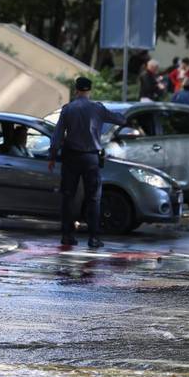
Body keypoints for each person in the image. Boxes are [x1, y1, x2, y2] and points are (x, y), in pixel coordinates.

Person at [48, 77, 126, 249]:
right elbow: (121, 120)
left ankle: (67, 236)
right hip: (91, 158)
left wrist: (52, 156)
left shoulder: (68, 109)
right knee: (93, 199)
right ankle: (93, 238)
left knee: (68, 197)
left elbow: (58, 135)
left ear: (76, 90)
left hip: (71, 158)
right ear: (89, 90)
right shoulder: (97, 109)